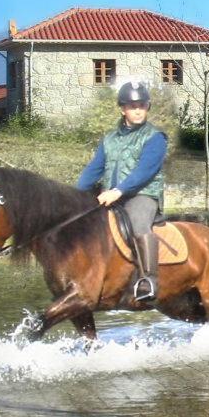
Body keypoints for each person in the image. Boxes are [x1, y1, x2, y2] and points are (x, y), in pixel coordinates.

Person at [77, 81, 168, 302]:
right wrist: (73, 195)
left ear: (147, 108)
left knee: (138, 225)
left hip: (143, 194)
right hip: (111, 195)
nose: (138, 110)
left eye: (142, 105)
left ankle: (149, 280)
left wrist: (118, 191)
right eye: (132, 106)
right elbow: (94, 169)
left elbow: (145, 171)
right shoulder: (109, 139)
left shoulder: (155, 137)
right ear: (122, 109)